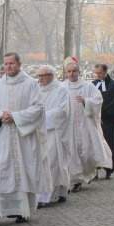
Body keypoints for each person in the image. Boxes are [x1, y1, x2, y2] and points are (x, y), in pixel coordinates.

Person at [0, 52, 51, 225]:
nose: (8, 67)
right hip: (2, 137)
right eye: (6, 64)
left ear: (19, 64)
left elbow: (39, 108)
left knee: (20, 173)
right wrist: (0, 116)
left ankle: (20, 211)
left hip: (22, 138)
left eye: (11, 63)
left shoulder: (31, 84)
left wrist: (16, 117)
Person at [62, 58, 112, 192]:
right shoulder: (62, 87)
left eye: (74, 71)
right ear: (66, 73)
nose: (71, 74)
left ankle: (86, 174)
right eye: (69, 71)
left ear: (79, 72)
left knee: (86, 152)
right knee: (71, 152)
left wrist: (86, 101)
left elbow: (98, 99)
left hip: (85, 124)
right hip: (69, 125)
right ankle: (75, 180)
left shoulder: (88, 86)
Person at [35, 65, 71, 208]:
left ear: (51, 75)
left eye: (42, 76)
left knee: (52, 163)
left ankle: (44, 197)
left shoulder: (60, 90)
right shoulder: (36, 90)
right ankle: (61, 191)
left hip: (53, 133)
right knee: (43, 164)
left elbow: (61, 111)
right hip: (38, 132)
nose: (40, 79)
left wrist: (41, 118)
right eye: (38, 76)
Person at [93, 64, 114, 179]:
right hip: (96, 121)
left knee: (110, 145)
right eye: (96, 73)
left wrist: (102, 113)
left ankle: (109, 169)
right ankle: (95, 169)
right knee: (96, 145)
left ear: (106, 72)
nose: (98, 75)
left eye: (99, 73)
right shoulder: (94, 85)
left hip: (109, 121)